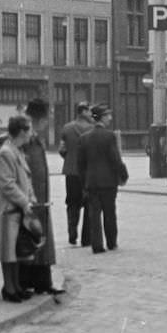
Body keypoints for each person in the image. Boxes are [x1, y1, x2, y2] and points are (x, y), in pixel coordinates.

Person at [0, 115, 37, 302]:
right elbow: (7, 184)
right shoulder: (6, 152)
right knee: (8, 251)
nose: (31, 133)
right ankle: (9, 288)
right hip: (9, 208)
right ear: (22, 131)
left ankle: (15, 286)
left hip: (17, 208)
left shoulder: (16, 150)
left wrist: (30, 198)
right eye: (29, 129)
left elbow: (25, 180)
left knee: (15, 250)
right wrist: (25, 202)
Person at [19, 100, 63, 296]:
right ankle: (28, 282)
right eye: (47, 116)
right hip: (31, 198)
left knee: (41, 239)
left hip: (41, 198)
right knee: (31, 239)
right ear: (40, 118)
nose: (49, 121)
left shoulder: (35, 137)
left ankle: (43, 282)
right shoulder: (25, 137)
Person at [77, 105, 127, 254]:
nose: (110, 118)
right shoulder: (109, 136)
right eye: (108, 116)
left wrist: (84, 182)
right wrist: (123, 175)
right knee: (109, 212)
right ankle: (111, 242)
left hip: (92, 182)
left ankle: (97, 244)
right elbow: (115, 158)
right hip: (108, 182)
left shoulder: (84, 138)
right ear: (102, 118)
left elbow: (80, 164)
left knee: (94, 214)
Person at [58, 102, 93, 246]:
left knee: (72, 203)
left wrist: (69, 157)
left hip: (71, 172)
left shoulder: (67, 128)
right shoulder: (92, 129)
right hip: (88, 172)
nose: (91, 114)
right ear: (84, 112)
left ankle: (72, 234)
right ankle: (87, 238)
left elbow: (62, 149)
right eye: (90, 111)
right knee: (89, 203)